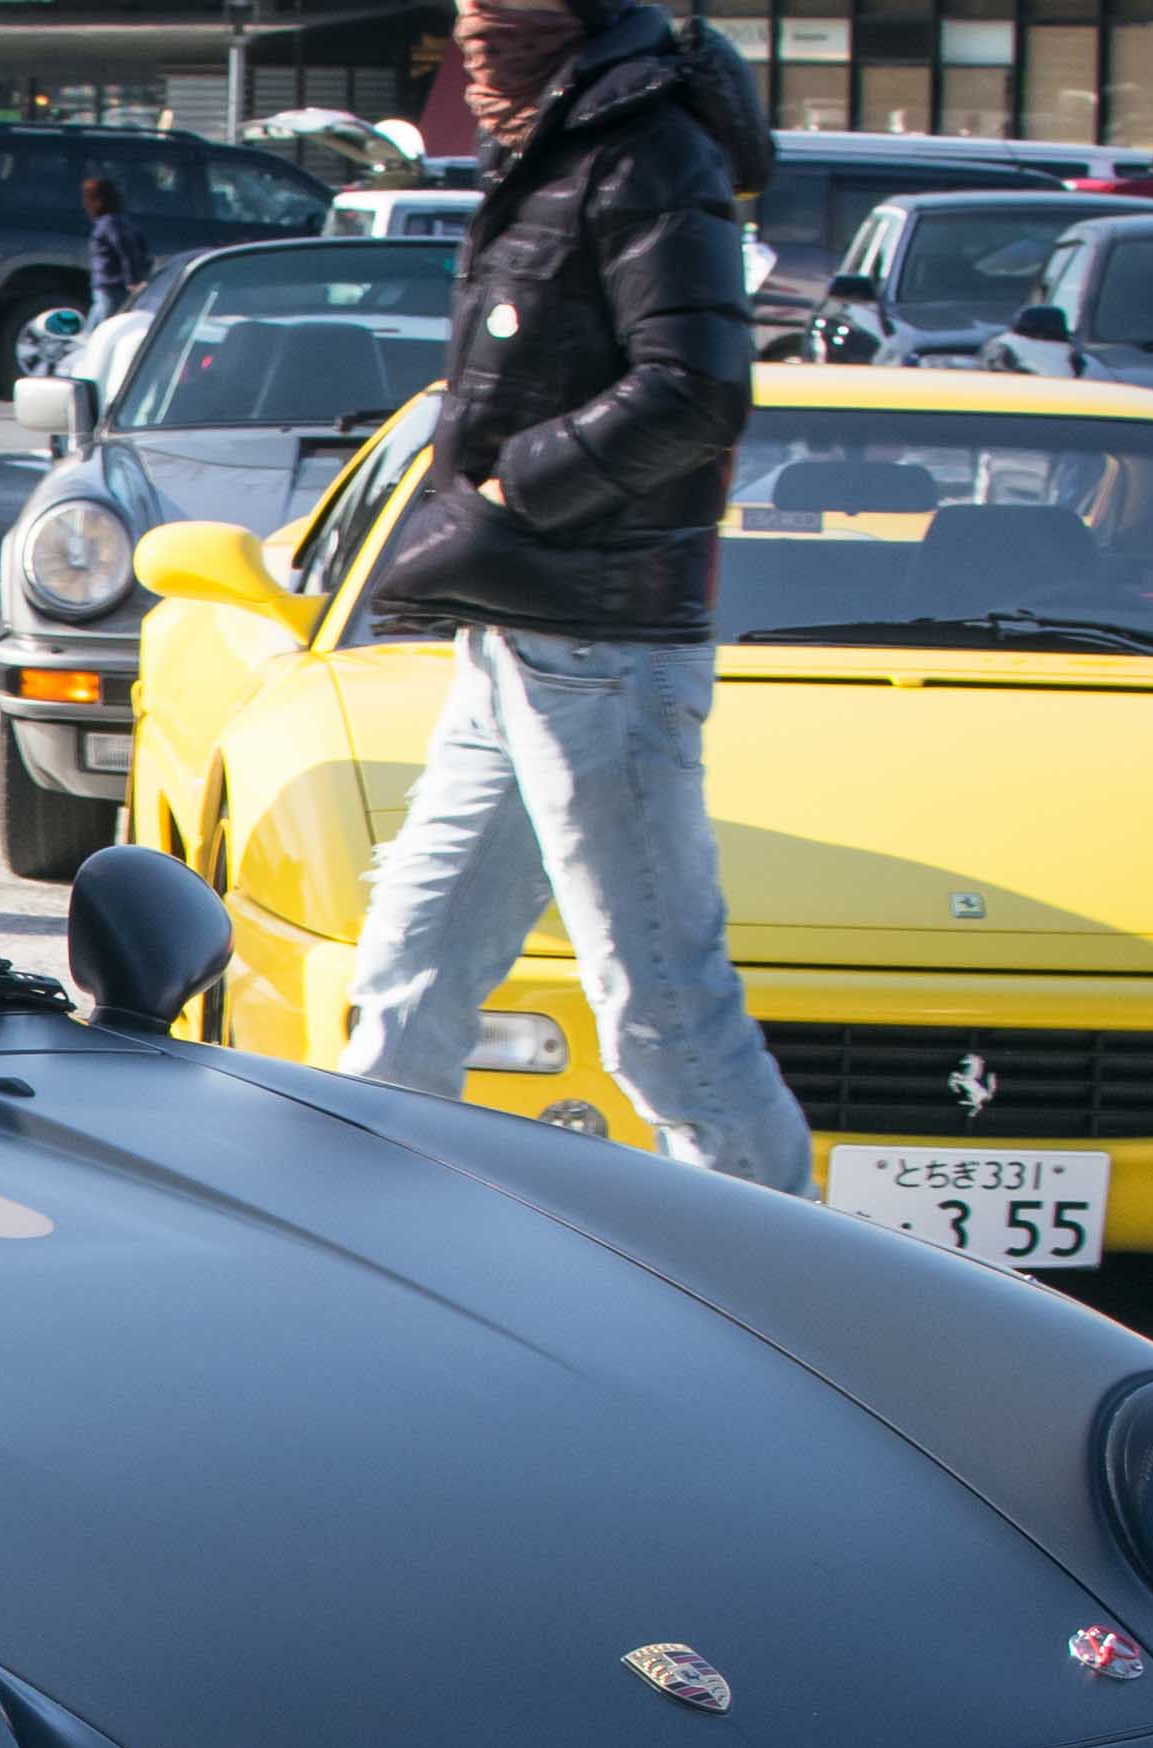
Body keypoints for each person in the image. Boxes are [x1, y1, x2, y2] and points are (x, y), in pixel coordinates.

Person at [323, 0, 805, 1197]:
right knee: (407, 984)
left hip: (604, 645)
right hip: (522, 636)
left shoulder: (641, 144)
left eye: (498, 7)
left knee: (662, 1016)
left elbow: (696, 388)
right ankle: (364, 1263)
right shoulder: (559, 134)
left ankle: (799, 1306)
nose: (470, 26)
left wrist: (508, 491)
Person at [84, 172, 146, 324]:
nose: (85, 204)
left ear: (99, 201)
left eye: (89, 199)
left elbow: (127, 251)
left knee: (102, 326)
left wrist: (132, 280)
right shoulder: (112, 222)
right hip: (105, 287)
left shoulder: (111, 223)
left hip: (111, 287)